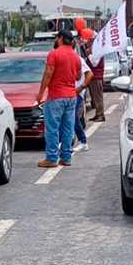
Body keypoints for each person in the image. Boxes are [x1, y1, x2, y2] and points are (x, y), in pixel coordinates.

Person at [36, 30, 82, 168]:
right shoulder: (75, 56)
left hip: (56, 96)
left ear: (60, 38)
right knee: (68, 129)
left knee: (52, 128)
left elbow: (48, 73)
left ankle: (51, 158)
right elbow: (78, 76)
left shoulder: (54, 54)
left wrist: (41, 92)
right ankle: (66, 158)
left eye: (56, 37)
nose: (56, 39)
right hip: (71, 96)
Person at [74, 43, 93, 152]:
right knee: (67, 118)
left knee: (73, 117)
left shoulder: (78, 59)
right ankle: (63, 141)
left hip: (76, 93)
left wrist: (81, 87)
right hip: (68, 92)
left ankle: (83, 141)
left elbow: (90, 74)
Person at [85, 41, 105, 122]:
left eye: (89, 43)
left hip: (96, 78)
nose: (87, 45)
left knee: (97, 97)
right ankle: (98, 114)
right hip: (93, 78)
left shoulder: (97, 52)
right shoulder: (95, 52)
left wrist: (89, 55)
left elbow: (94, 64)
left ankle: (100, 115)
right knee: (94, 97)